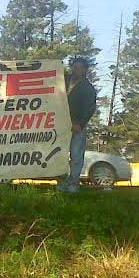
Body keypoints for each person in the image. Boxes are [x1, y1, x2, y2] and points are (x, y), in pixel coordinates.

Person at [59, 57, 97, 192]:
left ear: (85, 70)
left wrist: (80, 124)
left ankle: (73, 183)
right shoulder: (62, 81)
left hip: (77, 126)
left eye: (79, 68)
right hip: (59, 124)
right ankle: (63, 182)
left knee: (75, 155)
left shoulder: (88, 88)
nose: (76, 70)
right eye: (74, 67)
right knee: (60, 154)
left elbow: (90, 108)